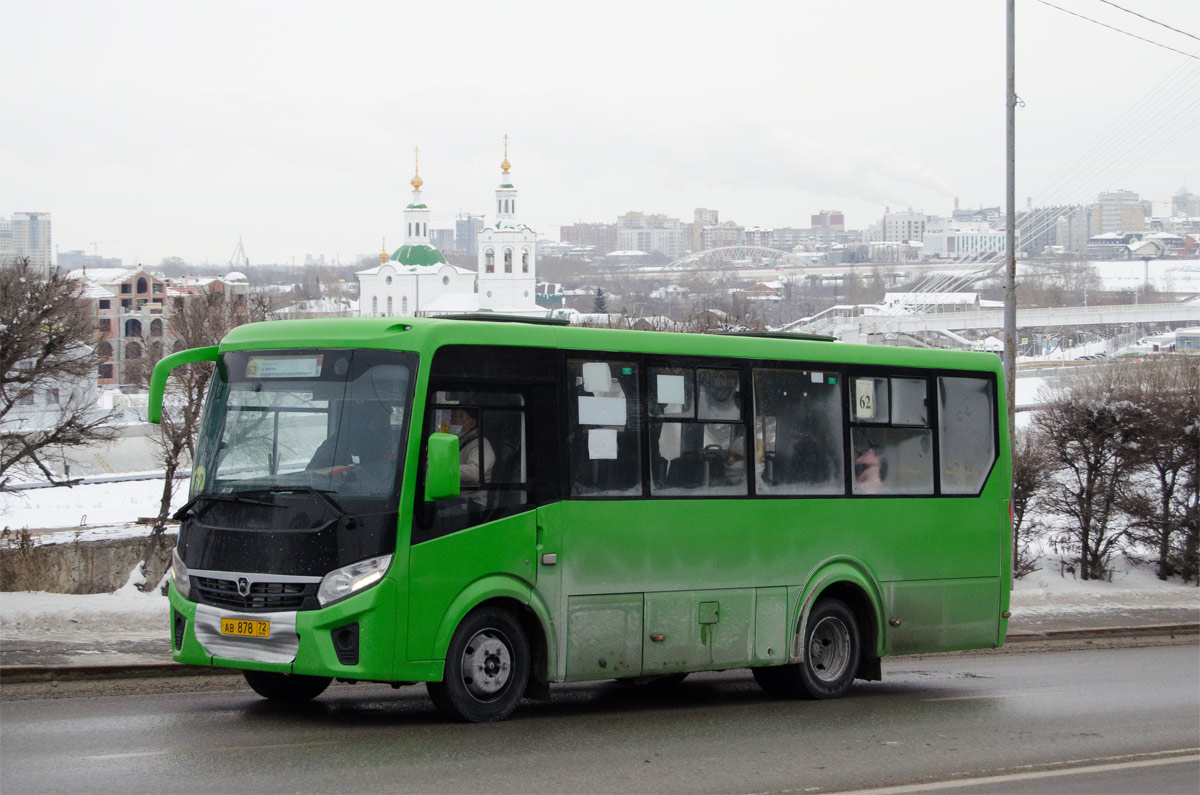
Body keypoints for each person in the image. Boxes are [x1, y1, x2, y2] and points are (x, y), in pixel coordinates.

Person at [307, 402, 394, 472]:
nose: (386, 423)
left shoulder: (376, 438)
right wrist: (382, 457)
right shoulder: (350, 439)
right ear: (371, 416)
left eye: (387, 418)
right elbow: (362, 459)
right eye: (383, 417)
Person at [449, 407, 494, 506]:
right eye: (452, 417)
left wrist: (443, 470)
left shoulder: (480, 445)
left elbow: (475, 472)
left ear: (472, 423)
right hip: (458, 500)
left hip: (472, 504)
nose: (452, 421)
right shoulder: (461, 441)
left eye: (459, 417)